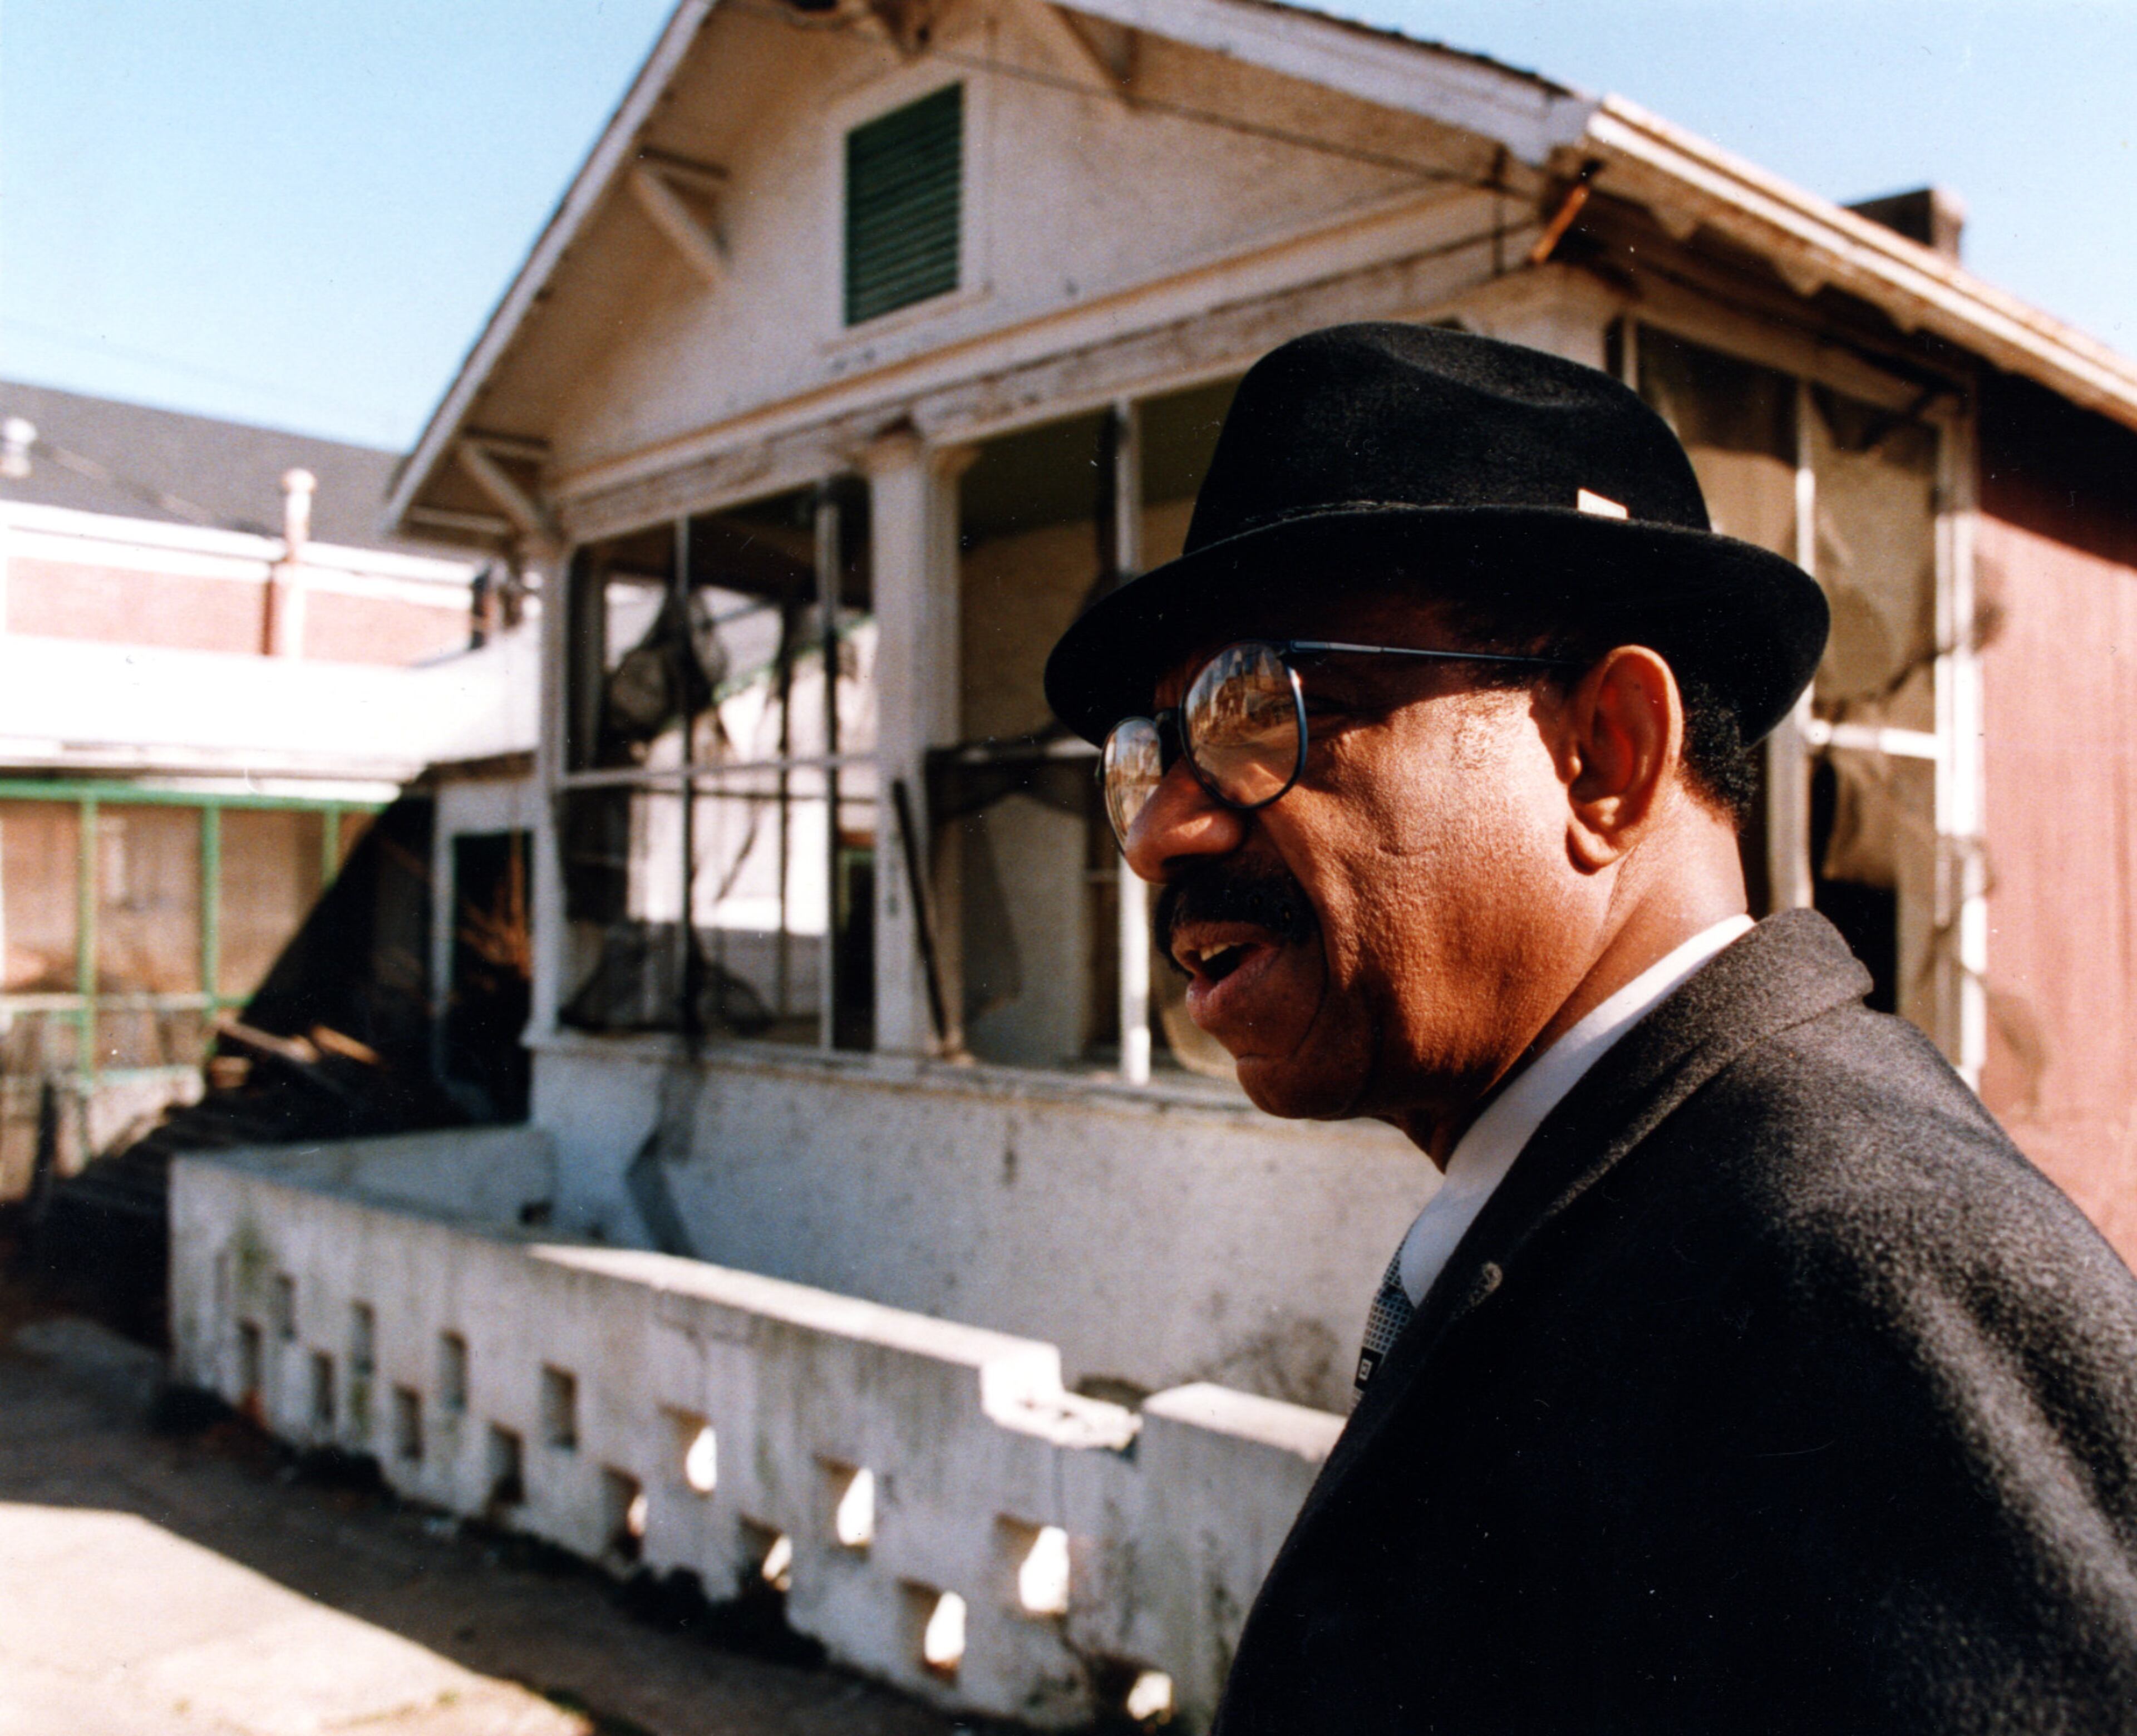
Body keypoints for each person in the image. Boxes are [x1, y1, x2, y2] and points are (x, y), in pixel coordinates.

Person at [1043, 323, 2137, 1731]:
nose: (1166, 833)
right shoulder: (1644, 1206)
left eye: (1259, 711)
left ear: (1605, 754)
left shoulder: (1859, 1265)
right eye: (1153, 757)